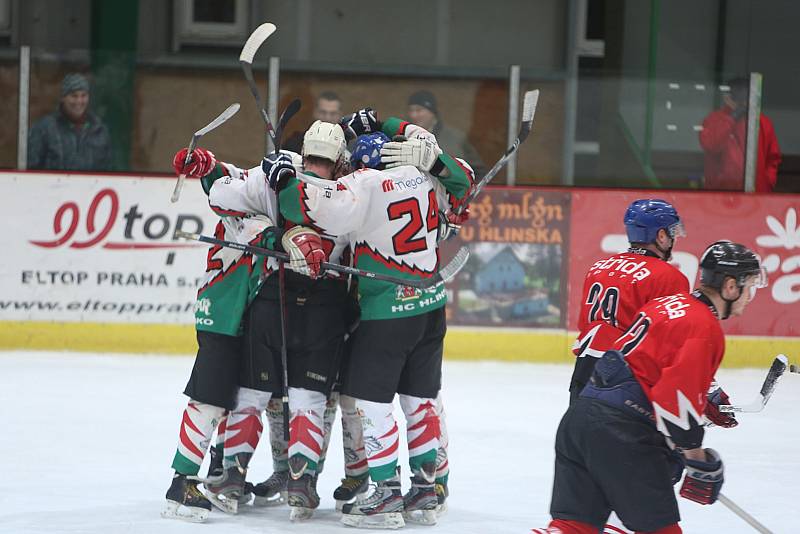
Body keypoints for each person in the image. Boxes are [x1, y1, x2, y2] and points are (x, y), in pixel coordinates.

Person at [262, 110, 472, 529]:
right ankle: (427, 491)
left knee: (373, 404)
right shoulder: (424, 174)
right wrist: (398, 128)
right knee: (420, 401)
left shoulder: (365, 184)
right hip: (430, 307)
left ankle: (387, 494)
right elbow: (463, 180)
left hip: (386, 313)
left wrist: (284, 178)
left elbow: (312, 208)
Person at [534, 241, 767, 534]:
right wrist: (697, 458)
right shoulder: (703, 326)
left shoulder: (663, 305)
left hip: (580, 420)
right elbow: (675, 403)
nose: (750, 296)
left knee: (572, 527)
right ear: (731, 287)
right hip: (620, 434)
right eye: (750, 286)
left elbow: (642, 368)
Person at [204, 122, 353, 521]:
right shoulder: (355, 187)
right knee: (310, 399)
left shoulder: (277, 175)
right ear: (340, 160)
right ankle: (301, 482)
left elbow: (221, 197)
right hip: (328, 303)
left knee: (251, 393)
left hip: (274, 297)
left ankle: (232, 477)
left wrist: (250, 184)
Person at [161, 148, 285, 523]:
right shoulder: (247, 220)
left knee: (235, 400)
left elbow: (227, 175)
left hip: (237, 317)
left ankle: (219, 470)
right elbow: (266, 231)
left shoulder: (248, 202)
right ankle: (181, 483)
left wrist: (207, 163)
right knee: (209, 401)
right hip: (221, 317)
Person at [699, 77, 781, 192]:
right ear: (727, 97)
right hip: (720, 194)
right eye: (738, 95)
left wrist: (766, 183)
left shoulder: (762, 122)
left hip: (756, 194)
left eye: (746, 95)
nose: (743, 101)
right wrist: (732, 117)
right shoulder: (715, 120)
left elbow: (773, 158)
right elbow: (711, 144)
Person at [27, 73, 112, 171]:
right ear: (63, 98)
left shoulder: (100, 130)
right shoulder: (44, 128)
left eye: (83, 95)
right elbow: (31, 169)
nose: (79, 101)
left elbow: (107, 169)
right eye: (73, 96)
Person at [407, 89, 486, 178]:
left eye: (419, 110)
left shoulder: (455, 138)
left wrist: (468, 189)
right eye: (411, 110)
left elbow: (478, 171)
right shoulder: (405, 137)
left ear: (432, 112)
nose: (413, 115)